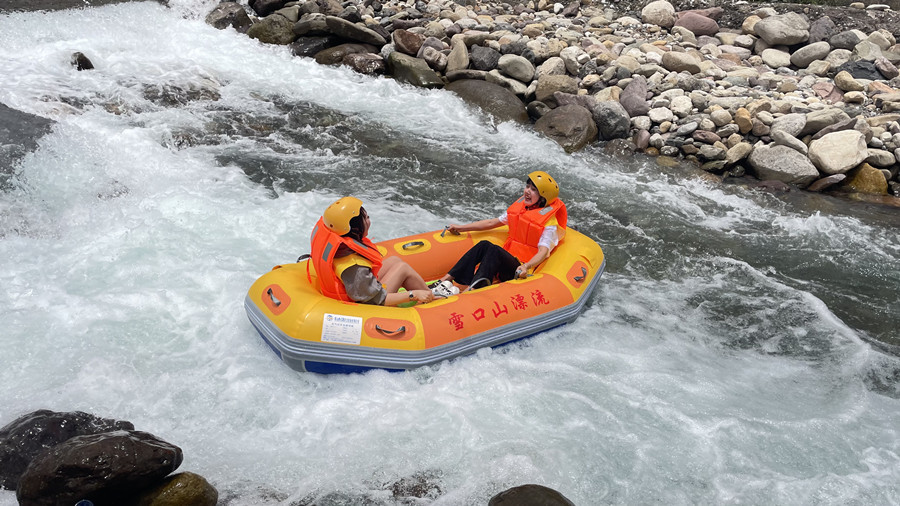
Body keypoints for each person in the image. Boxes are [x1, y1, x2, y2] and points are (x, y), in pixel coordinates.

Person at [432, 171, 567, 293]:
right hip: (507, 260)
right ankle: (446, 279)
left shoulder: (550, 224)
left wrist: (527, 266)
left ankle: (470, 290)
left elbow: (543, 251)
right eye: (527, 187)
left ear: (543, 197)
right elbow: (492, 223)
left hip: (521, 269)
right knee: (484, 244)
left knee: (494, 250)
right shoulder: (521, 210)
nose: (527, 191)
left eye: (533, 190)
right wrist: (461, 227)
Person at [310, 197, 435, 306]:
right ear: (354, 228)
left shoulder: (339, 243)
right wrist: (413, 294)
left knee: (394, 261)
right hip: (366, 305)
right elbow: (379, 300)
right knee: (402, 269)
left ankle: (428, 294)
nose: (369, 220)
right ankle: (432, 301)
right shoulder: (354, 266)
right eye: (366, 218)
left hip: (357, 289)